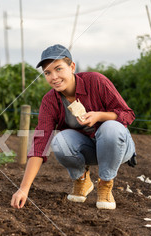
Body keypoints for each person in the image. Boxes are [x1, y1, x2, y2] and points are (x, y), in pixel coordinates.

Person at [10, 44, 136, 210]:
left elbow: (127, 114)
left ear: (72, 67)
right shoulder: (50, 101)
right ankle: (82, 180)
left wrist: (100, 115)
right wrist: (23, 188)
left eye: (59, 69)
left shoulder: (96, 82)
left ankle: (105, 184)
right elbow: (40, 143)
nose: (53, 77)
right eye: (47, 72)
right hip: (89, 150)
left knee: (111, 127)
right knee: (59, 141)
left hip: (118, 147)